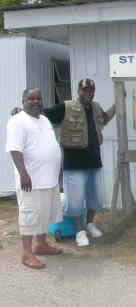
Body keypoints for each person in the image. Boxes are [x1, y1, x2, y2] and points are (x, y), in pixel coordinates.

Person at [44, 79, 115, 247]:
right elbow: (45, 113)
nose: (89, 92)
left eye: (91, 89)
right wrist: (22, 111)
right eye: (85, 89)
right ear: (79, 91)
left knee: (96, 199)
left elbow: (105, 119)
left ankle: (89, 224)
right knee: (75, 202)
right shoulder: (66, 107)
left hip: (95, 163)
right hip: (74, 165)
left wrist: (117, 105)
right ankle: (79, 231)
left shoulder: (96, 107)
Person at [6, 88, 63, 269]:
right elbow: (15, 149)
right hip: (31, 180)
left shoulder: (44, 119)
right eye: (31, 98)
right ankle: (26, 253)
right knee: (29, 217)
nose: (36, 101)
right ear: (23, 101)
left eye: (38, 98)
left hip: (49, 178)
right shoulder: (17, 121)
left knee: (44, 214)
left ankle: (41, 244)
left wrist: (57, 167)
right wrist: (23, 173)